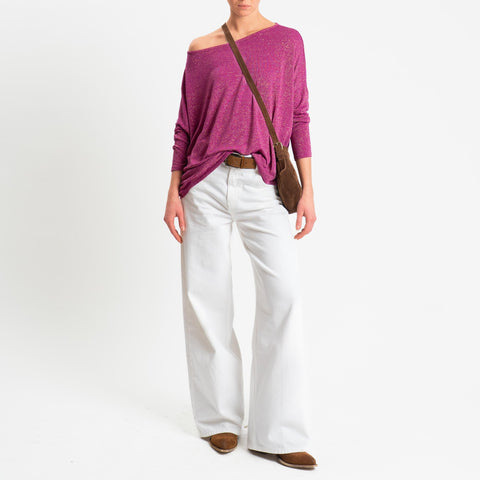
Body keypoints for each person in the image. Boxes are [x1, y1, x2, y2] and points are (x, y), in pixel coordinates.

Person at [163, 0, 317, 470]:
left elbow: (299, 115)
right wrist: (173, 191)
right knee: (206, 298)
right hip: (204, 184)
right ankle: (219, 419)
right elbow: (186, 125)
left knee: (282, 295)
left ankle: (278, 431)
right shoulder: (201, 49)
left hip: (264, 183)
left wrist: (309, 189)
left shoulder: (287, 41)